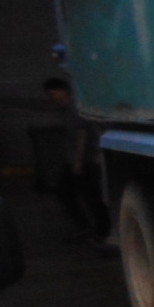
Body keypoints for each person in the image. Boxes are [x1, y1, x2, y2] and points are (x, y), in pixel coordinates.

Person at [42, 78, 108, 242]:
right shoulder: (65, 110)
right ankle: (91, 227)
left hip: (86, 160)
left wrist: (78, 161)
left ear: (62, 91)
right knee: (73, 194)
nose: (51, 97)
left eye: (52, 93)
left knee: (89, 196)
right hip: (77, 160)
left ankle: (100, 230)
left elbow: (82, 134)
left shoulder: (74, 109)